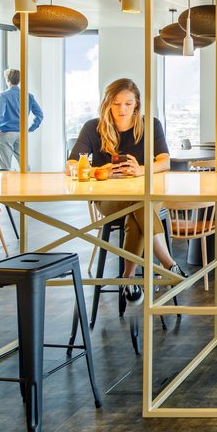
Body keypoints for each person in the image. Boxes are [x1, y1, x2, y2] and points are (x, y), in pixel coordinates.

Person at [69, 78, 180, 295]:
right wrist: (100, 171)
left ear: (137, 103)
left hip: (145, 196)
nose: (122, 109)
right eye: (117, 103)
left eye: (128, 103)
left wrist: (141, 170)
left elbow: (165, 161)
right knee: (141, 205)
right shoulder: (93, 127)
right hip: (108, 199)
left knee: (139, 206)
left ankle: (128, 280)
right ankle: (169, 265)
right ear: (108, 103)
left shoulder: (151, 124)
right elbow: (72, 165)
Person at [0, 69, 43, 170]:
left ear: (7, 80)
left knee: (4, 168)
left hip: (6, 134)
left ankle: (6, 186)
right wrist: (30, 129)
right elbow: (39, 114)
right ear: (19, 80)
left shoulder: (3, 95)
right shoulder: (28, 95)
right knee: (24, 166)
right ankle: (28, 185)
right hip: (21, 134)